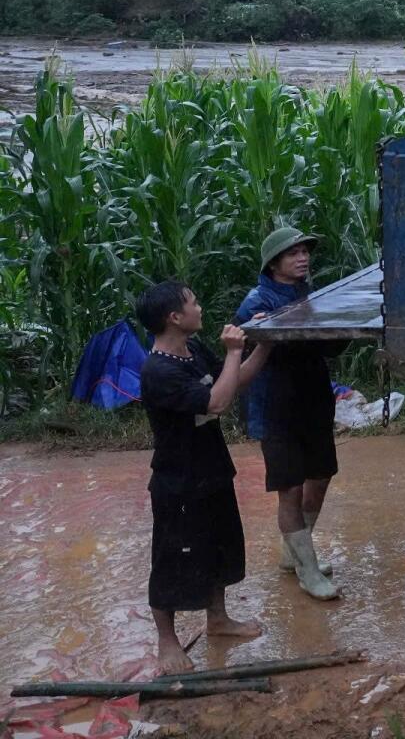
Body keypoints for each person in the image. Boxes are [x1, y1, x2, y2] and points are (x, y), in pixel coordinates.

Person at [136, 280, 273, 674]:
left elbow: (236, 379)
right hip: (177, 482)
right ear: (174, 318)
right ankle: (167, 642)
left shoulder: (192, 350)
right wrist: (234, 349)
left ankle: (218, 619)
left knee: (219, 547)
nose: (200, 307)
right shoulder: (158, 370)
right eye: (193, 302)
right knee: (170, 559)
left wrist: (263, 344)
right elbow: (218, 401)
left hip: (212, 469)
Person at [232, 226, 341, 601]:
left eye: (305, 252)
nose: (303, 258)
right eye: (293, 253)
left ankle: (293, 552)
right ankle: (309, 572)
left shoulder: (309, 294)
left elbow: (329, 348)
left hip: (313, 400)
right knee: (290, 489)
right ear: (274, 262)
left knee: (321, 476)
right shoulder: (256, 302)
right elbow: (243, 356)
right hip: (276, 408)